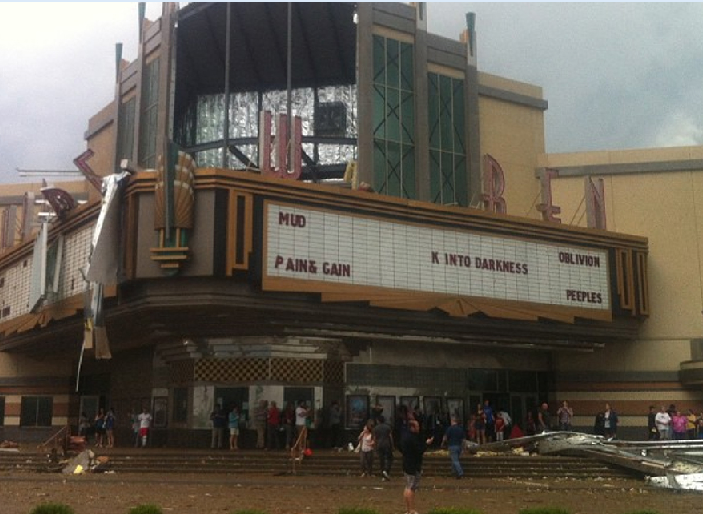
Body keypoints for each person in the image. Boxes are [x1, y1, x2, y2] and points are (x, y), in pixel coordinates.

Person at [400, 414, 433, 514]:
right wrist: (426, 444)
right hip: (412, 464)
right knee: (410, 487)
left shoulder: (404, 437)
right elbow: (419, 450)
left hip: (407, 462)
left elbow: (400, 447)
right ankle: (410, 510)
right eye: (417, 426)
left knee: (409, 486)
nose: (419, 428)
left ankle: (409, 509)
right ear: (412, 427)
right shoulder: (413, 438)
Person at [373, 415, 394, 480]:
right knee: (389, 458)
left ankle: (383, 473)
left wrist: (375, 446)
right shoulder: (388, 427)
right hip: (387, 444)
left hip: (379, 444)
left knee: (381, 459)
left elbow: (375, 438)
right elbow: (390, 437)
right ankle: (386, 470)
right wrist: (392, 445)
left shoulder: (376, 428)